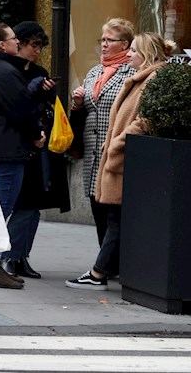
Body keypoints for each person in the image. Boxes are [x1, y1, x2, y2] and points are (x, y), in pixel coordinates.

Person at [66, 32, 170, 291]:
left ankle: (98, 273)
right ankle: (108, 270)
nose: (129, 54)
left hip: (127, 159)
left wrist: (118, 143)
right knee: (117, 219)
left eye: (133, 50)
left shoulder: (152, 79)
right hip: (121, 158)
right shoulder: (140, 78)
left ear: (145, 54)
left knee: (117, 220)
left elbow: (145, 120)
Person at [0, 17, 47, 290]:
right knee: (1, 209)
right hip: (7, 150)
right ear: (2, 45)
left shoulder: (0, 69)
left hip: (3, 147)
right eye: (13, 38)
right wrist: (36, 135)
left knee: (1, 207)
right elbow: (21, 110)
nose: (18, 41)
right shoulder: (4, 72)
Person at [0, 22, 70, 280]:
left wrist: (48, 94)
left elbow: (47, 107)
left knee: (33, 205)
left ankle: (20, 257)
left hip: (40, 145)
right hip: (17, 145)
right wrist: (33, 92)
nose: (37, 51)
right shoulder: (7, 71)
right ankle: (8, 256)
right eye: (34, 45)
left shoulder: (39, 72)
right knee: (23, 204)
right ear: (19, 43)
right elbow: (13, 108)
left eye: (40, 47)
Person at [70, 18, 136, 254]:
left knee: (114, 212)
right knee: (96, 207)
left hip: (116, 150)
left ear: (125, 44)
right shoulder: (94, 71)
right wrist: (78, 103)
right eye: (102, 40)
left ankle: (113, 263)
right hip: (93, 151)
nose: (104, 44)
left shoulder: (132, 71)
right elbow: (89, 108)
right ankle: (104, 260)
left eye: (110, 40)